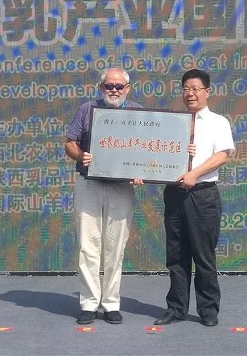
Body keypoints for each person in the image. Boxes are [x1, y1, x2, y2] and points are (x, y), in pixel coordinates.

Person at [154, 68, 234, 327]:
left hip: (202, 195)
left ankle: (208, 309)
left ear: (207, 92)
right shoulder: (172, 123)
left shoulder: (218, 122)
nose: (190, 94)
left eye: (195, 89)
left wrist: (194, 173)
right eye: (186, 89)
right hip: (174, 194)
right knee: (176, 256)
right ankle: (176, 308)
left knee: (203, 256)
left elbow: (222, 155)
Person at [65, 67, 143, 325]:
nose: (114, 90)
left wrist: (143, 170)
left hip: (121, 187)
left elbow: (147, 150)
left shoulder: (139, 113)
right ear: (101, 87)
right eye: (109, 85)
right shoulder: (87, 110)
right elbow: (70, 142)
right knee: (88, 247)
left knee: (115, 247)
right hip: (90, 184)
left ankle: (110, 303)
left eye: (119, 86)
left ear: (127, 88)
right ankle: (89, 303)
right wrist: (80, 155)